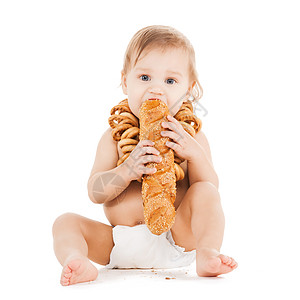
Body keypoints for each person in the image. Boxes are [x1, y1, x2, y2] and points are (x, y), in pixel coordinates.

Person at [52, 25, 238, 286]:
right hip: (119, 243)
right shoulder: (115, 137)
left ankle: (207, 254)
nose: (156, 90)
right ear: (125, 81)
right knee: (65, 222)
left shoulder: (191, 137)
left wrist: (193, 155)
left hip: (177, 238)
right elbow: (95, 192)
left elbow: (210, 190)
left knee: (206, 190)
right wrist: (126, 170)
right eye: (144, 78)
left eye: (170, 81)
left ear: (188, 88)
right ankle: (77, 260)